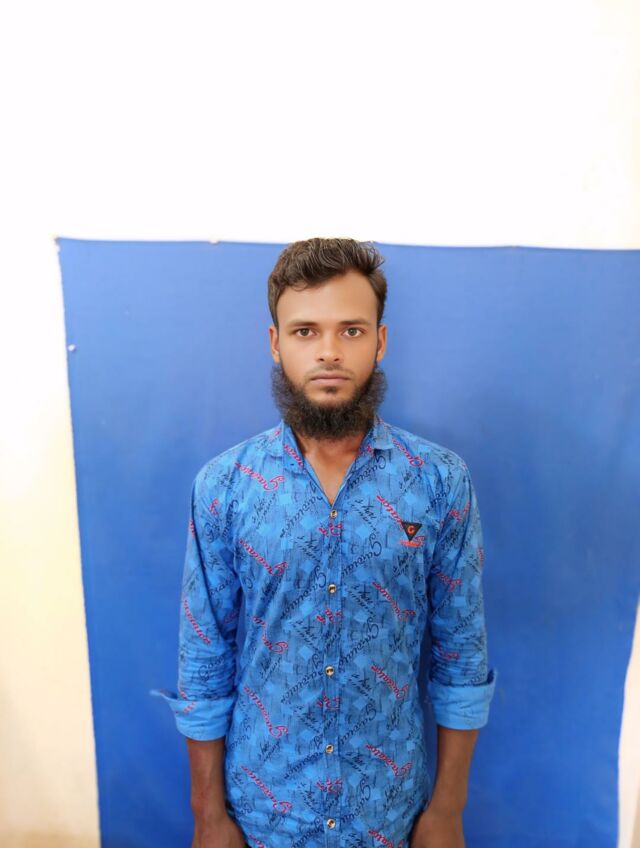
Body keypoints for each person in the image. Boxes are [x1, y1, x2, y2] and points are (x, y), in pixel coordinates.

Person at [152, 238, 498, 848]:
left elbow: (461, 655)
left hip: (390, 814)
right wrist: (207, 815)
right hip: (264, 814)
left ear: (380, 341)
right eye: (306, 331)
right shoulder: (226, 486)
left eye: (352, 331)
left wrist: (448, 809)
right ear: (275, 343)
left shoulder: (439, 481)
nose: (330, 352)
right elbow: (204, 659)